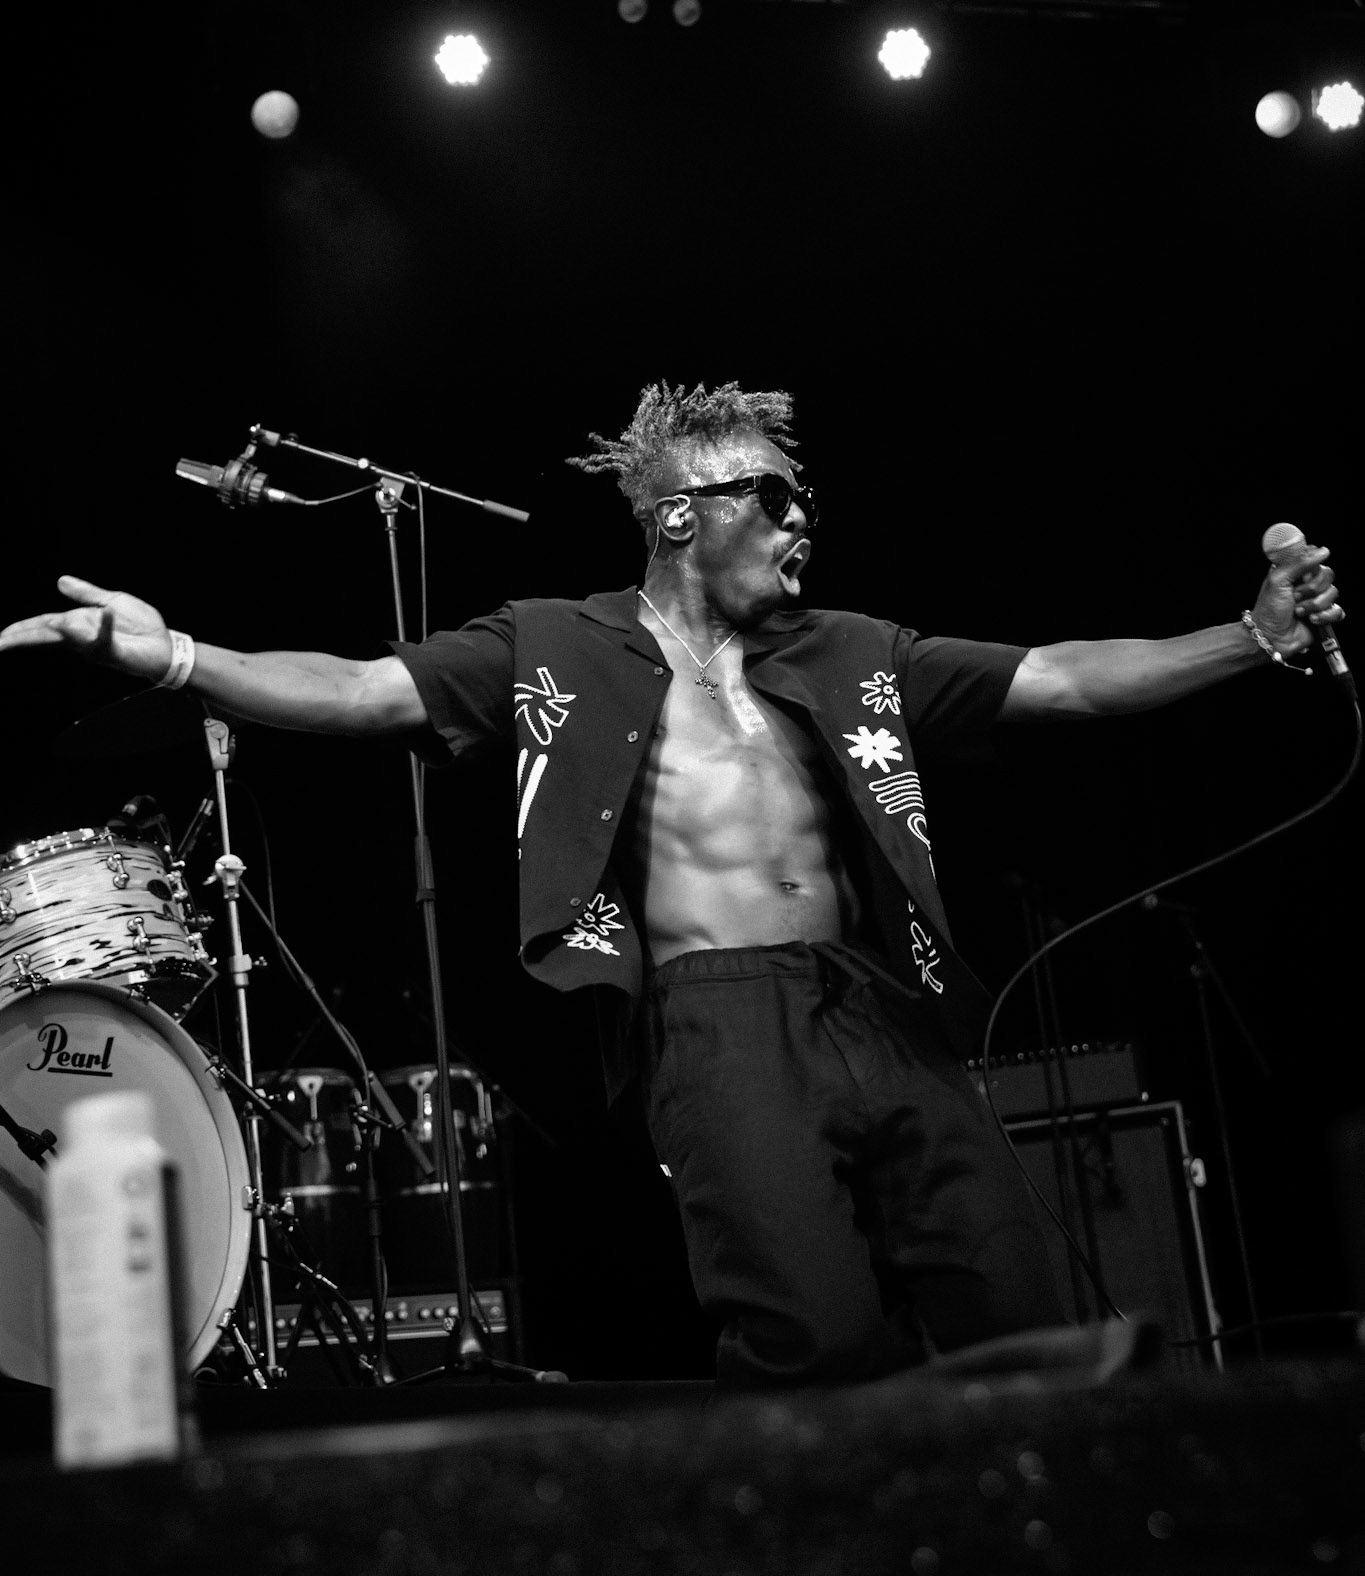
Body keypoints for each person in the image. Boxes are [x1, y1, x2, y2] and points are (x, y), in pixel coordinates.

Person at [0, 381, 1345, 1387]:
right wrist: (178, 657)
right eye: (776, 497)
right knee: (811, 1337)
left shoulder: (849, 648)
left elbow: (1056, 674)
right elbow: (356, 692)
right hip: (715, 1021)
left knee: (1027, 1314)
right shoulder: (550, 646)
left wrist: (1249, 639)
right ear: (685, 513)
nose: (802, 520)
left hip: (885, 1012)